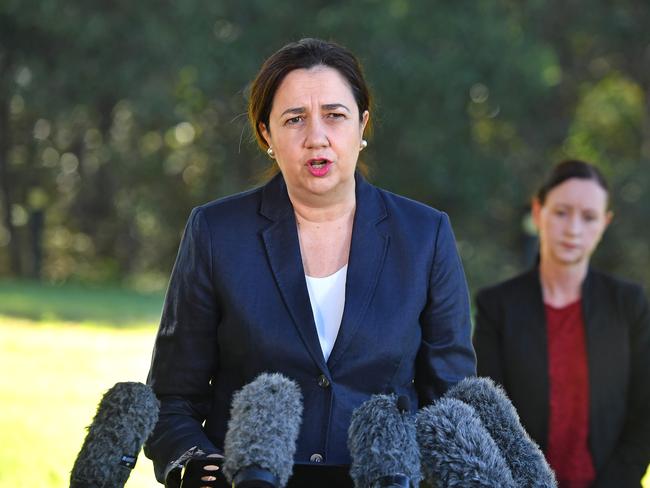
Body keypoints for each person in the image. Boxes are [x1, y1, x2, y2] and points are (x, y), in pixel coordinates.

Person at [144, 38, 476, 487]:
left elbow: (452, 403)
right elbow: (172, 399)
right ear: (267, 134)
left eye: (335, 116)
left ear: (362, 126)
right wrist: (198, 467)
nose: (316, 136)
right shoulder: (215, 231)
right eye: (295, 119)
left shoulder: (425, 235)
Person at [473, 160, 650, 488]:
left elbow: (645, 412)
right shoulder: (497, 306)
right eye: (561, 212)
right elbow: (490, 415)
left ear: (605, 223)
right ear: (539, 212)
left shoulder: (629, 304)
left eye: (589, 217)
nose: (573, 229)